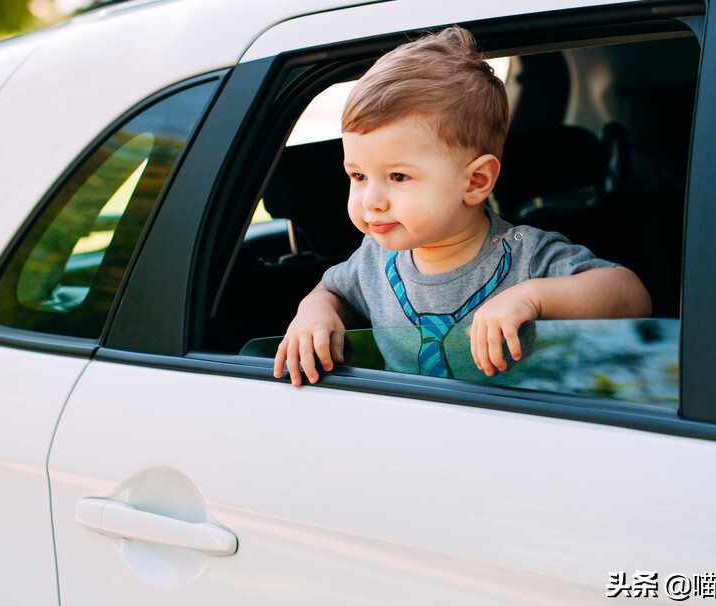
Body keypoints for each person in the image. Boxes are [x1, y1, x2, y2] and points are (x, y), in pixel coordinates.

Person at [273, 26, 651, 387]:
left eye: (399, 177)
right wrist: (314, 312)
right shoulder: (373, 258)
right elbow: (332, 291)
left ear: (476, 182)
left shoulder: (526, 256)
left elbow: (630, 295)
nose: (372, 200)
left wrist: (532, 298)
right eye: (358, 177)